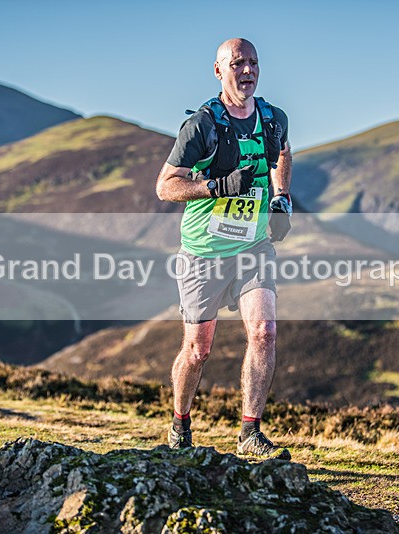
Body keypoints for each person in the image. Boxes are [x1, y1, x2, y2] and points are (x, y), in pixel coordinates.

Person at [155, 38, 293, 460]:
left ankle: (250, 433)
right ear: (219, 71)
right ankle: (180, 424)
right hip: (203, 253)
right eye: (238, 63)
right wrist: (213, 186)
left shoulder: (272, 119)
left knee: (265, 332)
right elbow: (165, 186)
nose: (247, 70)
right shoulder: (202, 126)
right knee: (198, 349)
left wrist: (281, 197)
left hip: (253, 247)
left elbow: (282, 154)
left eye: (253, 62)